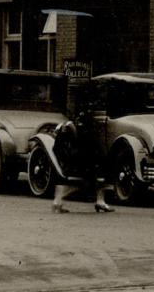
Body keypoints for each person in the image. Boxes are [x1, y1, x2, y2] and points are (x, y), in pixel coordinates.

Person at [52, 81, 113, 213]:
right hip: (82, 157)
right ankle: (99, 201)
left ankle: (58, 202)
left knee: (93, 171)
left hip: (76, 156)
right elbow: (90, 141)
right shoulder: (86, 121)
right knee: (100, 170)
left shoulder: (74, 121)